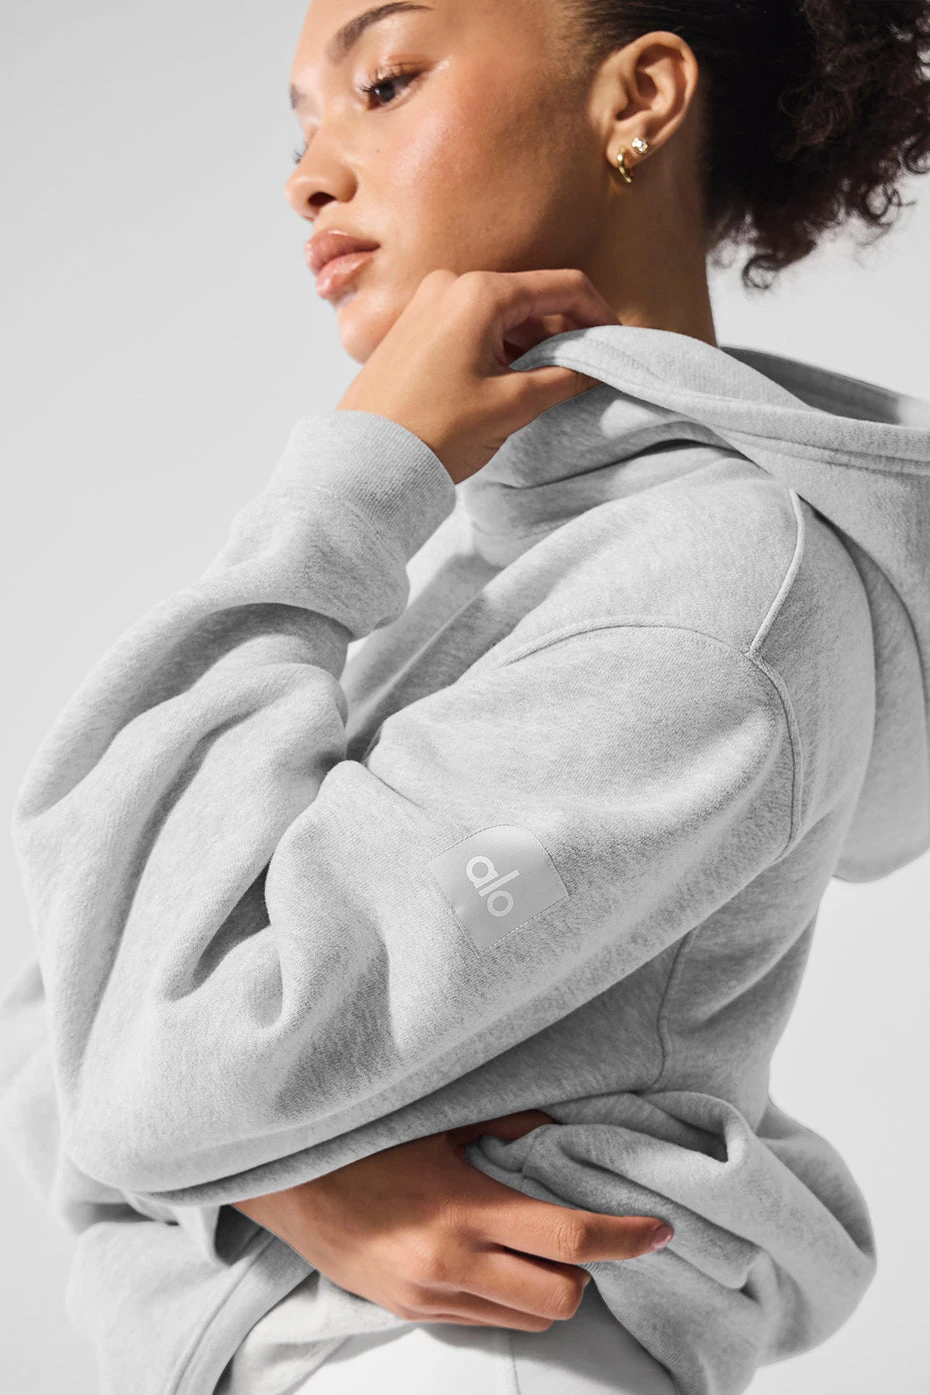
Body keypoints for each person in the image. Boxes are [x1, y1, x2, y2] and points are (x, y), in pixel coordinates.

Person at [1, 2, 929, 1394]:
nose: (310, 177)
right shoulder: (488, 569)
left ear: (638, 99)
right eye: (300, 130)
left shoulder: (705, 589)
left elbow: (153, 1063)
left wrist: (345, 488)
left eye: (384, 80)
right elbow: (69, 1001)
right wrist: (296, 1185)